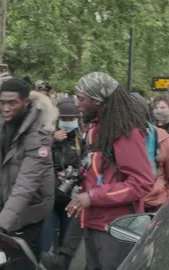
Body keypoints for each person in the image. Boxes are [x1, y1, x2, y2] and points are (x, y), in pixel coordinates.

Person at [66, 72, 154, 270]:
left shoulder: (125, 132)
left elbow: (142, 182)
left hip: (117, 229)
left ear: (97, 101)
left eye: (81, 99)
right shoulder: (95, 128)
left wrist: (92, 196)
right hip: (94, 223)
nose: (77, 104)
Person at [0, 78, 58, 259]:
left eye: (12, 103)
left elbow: (26, 184)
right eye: (2, 102)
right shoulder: (2, 122)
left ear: (25, 103)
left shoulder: (39, 135)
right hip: (6, 206)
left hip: (30, 212)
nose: (5, 108)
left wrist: (0, 225)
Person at [39, 98, 82, 254]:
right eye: (64, 119)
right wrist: (52, 141)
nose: (68, 123)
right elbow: (37, 158)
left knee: (67, 243)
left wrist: (74, 173)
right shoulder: (45, 135)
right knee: (45, 243)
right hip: (49, 197)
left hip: (71, 198)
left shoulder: (82, 139)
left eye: (71, 119)